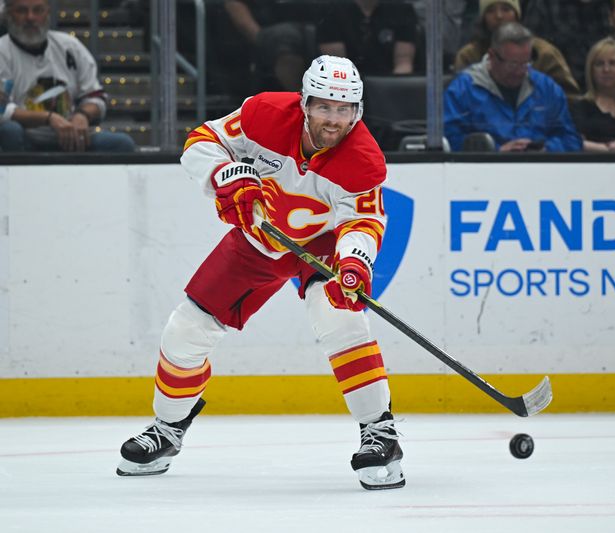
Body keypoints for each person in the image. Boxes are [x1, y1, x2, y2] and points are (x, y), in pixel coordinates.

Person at [116, 55, 405, 491]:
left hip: (321, 245)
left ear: (357, 111)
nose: (333, 119)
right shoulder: (264, 113)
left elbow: (363, 222)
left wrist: (353, 261)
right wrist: (226, 174)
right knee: (186, 328)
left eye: (344, 109)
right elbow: (200, 142)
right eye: (324, 106)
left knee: (340, 316)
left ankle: (379, 432)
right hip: (258, 236)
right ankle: (167, 429)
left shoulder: (364, 158)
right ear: (304, 103)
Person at [0, 0, 135, 152]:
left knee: (122, 144)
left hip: (71, 138)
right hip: (25, 139)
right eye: (22, 11)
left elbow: (96, 96)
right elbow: (2, 110)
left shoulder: (70, 46)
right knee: (9, 131)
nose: (31, 18)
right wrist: (49, 118)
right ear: (8, 14)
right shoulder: (2, 52)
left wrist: (82, 115)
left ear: (48, 13)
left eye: (38, 10)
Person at [444, 21, 582, 152]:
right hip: (485, 171)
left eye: (525, 63)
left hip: (540, 169)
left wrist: (546, 149)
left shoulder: (547, 88)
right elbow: (448, 141)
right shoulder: (462, 90)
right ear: (492, 56)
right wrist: (496, 151)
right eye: (513, 64)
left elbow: (571, 138)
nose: (519, 72)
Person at [454, 0, 581, 101]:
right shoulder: (469, 55)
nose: (499, 16)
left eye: (506, 9)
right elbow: (458, 99)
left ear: (517, 14)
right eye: (490, 10)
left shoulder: (544, 53)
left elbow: (569, 98)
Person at [222, 0, 310, 93]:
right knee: (284, 40)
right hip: (269, 37)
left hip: (313, 30)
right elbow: (234, 4)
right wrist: (260, 38)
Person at [522, 0, 610, 87]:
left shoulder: (605, 5)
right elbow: (529, 53)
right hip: (556, 91)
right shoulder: (544, 4)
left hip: (602, 91)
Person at [317, 0, 418, 76]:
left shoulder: (401, 9)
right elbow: (337, 66)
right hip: (346, 86)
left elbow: (403, 63)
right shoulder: (332, 10)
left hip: (389, 86)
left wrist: (392, 92)